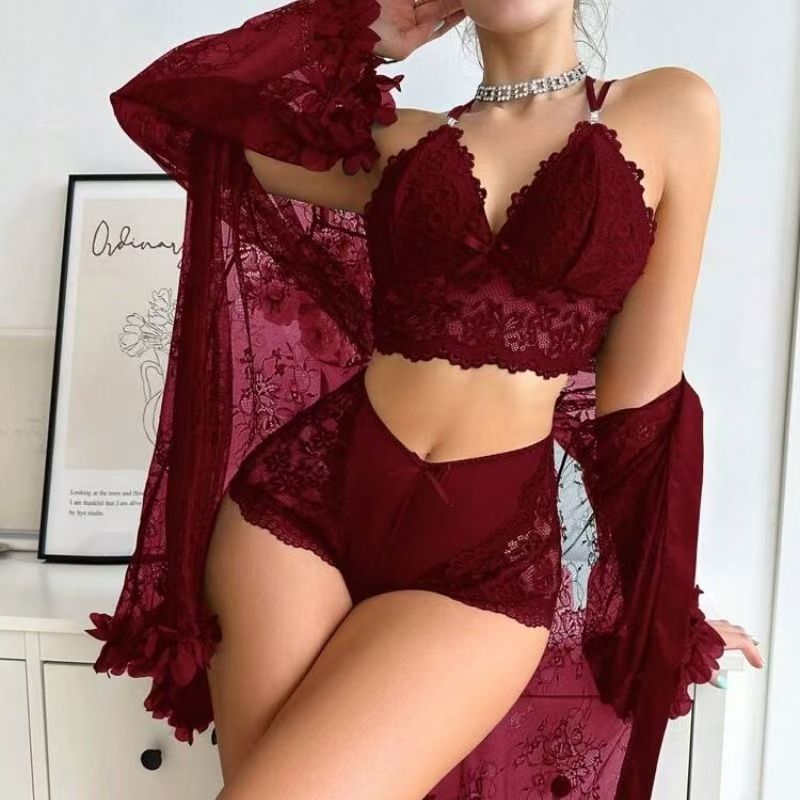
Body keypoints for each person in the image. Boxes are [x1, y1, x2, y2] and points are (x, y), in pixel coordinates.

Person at [86, 1, 764, 798]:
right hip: (296, 516)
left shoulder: (670, 110)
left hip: (483, 555)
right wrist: (362, 29)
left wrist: (660, 611)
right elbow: (173, 106)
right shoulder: (394, 142)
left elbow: (641, 411)